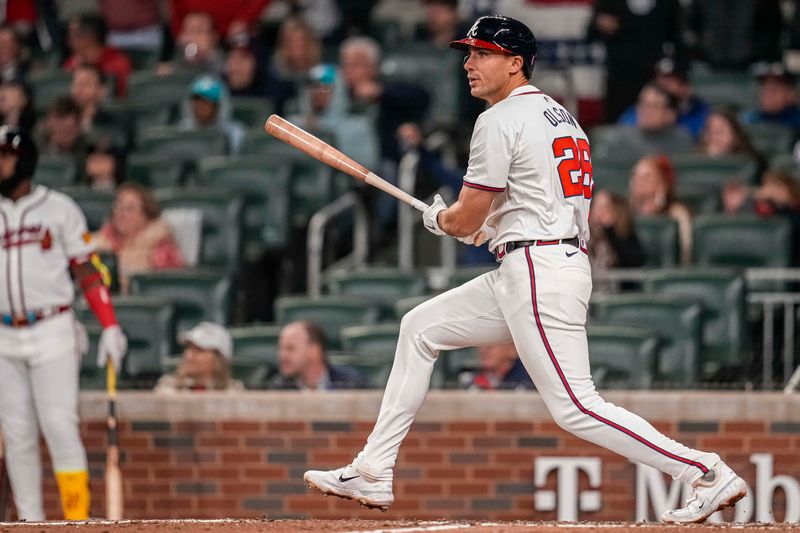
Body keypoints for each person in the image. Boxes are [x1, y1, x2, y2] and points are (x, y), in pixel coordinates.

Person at [302, 15, 747, 524]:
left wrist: (446, 220)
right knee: (419, 328)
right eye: (468, 53)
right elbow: (520, 205)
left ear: (515, 63)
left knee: (576, 407)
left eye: (482, 53)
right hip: (539, 259)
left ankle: (705, 472)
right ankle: (374, 467)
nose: (469, 63)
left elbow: (469, 214)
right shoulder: (560, 116)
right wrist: (476, 227)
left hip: (538, 268)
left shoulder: (499, 118)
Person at [0, 126, 128, 521]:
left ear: (25, 159)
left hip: (52, 328)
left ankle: (77, 523)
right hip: (3, 335)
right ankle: (29, 522)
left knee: (59, 426)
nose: (1, 163)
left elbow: (87, 271)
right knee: (18, 436)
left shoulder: (59, 208)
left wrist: (109, 324)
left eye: (6, 155)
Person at [91, 182, 185, 293]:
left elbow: (171, 288)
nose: (121, 213)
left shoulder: (161, 249)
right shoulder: (107, 234)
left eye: (129, 209)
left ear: (146, 215)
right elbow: (81, 240)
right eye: (118, 207)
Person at [617, 57, 710, 140]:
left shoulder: (701, 112)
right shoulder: (636, 111)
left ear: (684, 86)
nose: (663, 85)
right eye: (660, 79)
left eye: (670, 81)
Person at [594, 84, 693, 159]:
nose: (646, 111)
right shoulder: (617, 140)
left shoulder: (681, 140)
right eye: (643, 104)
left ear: (670, 115)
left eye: (654, 106)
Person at [628, 155, 693, 264]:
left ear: (663, 183)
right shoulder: (624, 214)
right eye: (635, 177)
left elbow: (686, 255)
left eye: (646, 177)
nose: (639, 182)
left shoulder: (679, 215)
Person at [269, 321, 368, 390]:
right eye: (281, 349)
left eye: (290, 348)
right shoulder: (278, 388)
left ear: (314, 350)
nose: (282, 355)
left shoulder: (351, 384)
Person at [155, 321, 244, 392]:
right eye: (188, 348)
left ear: (218, 360)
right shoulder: (167, 388)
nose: (189, 356)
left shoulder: (232, 392)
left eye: (199, 350)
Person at [63, 14, 132, 98]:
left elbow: (123, 98)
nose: (69, 41)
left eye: (74, 36)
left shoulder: (118, 62)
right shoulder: (70, 63)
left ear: (90, 37)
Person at [177, 74, 245, 155]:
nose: (200, 107)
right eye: (197, 102)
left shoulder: (235, 134)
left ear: (219, 106)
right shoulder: (182, 131)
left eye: (207, 103)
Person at [698, 108, 767, 174]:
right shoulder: (693, 163)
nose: (714, 137)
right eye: (710, 131)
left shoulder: (754, 164)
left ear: (735, 136)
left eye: (720, 131)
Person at [589, 189, 645, 270]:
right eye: (596, 206)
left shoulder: (625, 237)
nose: (598, 212)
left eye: (605, 207)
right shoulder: (585, 234)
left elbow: (631, 264)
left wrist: (609, 229)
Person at [741, 63, 800, 135]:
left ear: (790, 94)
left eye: (774, 90)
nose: (768, 95)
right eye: (765, 89)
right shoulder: (750, 119)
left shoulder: (797, 121)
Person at [458, 343, 533, 391]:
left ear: (513, 349)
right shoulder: (469, 379)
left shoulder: (530, 382)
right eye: (480, 343)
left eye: (492, 344)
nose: (484, 350)